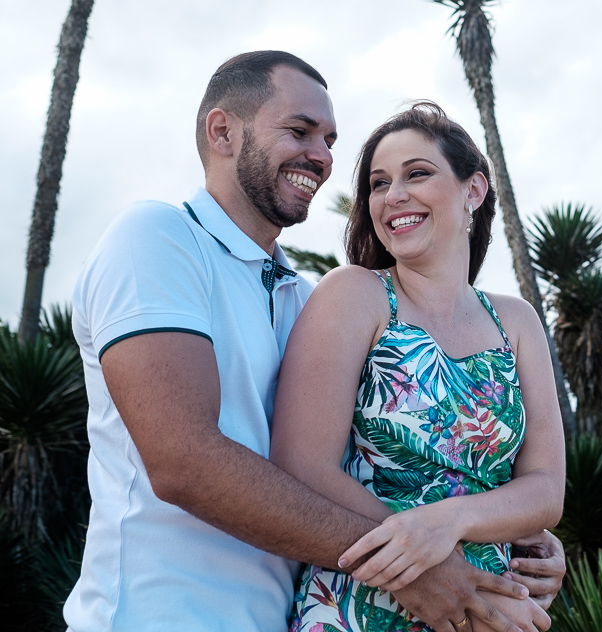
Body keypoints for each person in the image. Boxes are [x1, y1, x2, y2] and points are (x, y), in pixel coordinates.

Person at [66, 51, 564, 632]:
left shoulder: (301, 299)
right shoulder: (158, 239)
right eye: (299, 131)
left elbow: (394, 458)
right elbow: (184, 462)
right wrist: (417, 566)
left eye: (329, 140)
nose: (323, 157)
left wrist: (522, 537)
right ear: (222, 131)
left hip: (279, 615)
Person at [271, 103, 565, 631]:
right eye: (379, 183)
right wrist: (434, 563)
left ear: (473, 191)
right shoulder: (355, 294)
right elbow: (300, 467)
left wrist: (450, 521)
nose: (394, 196)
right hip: (363, 603)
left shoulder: (516, 322)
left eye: (418, 174)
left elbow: (545, 489)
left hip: (491, 610)